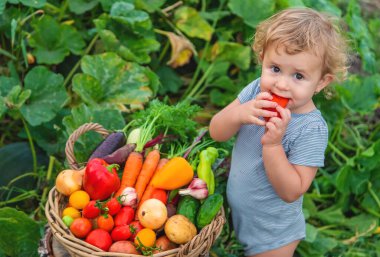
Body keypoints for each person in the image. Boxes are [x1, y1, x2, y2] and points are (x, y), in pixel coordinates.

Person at [209, 7, 349, 257]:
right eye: (275, 69)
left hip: (273, 236)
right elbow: (216, 132)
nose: (282, 84)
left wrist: (273, 145)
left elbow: (291, 190)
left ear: (321, 82)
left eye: (298, 75)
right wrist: (238, 114)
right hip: (240, 216)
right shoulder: (255, 93)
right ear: (262, 58)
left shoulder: (311, 128)